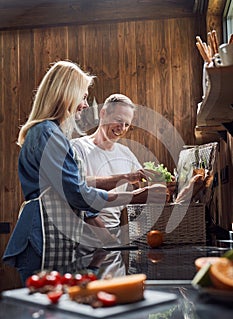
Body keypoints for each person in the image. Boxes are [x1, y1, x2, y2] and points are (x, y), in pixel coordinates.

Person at [3, 60, 166, 285]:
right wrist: (135, 196)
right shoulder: (46, 134)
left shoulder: (51, 133)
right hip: (41, 238)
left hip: (54, 239)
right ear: (66, 94)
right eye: (83, 96)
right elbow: (77, 193)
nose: (84, 104)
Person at [71, 94, 147, 232]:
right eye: (118, 120)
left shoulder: (126, 153)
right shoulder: (77, 148)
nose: (122, 128)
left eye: (127, 124)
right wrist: (126, 178)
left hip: (114, 232)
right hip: (80, 232)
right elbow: (75, 185)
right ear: (103, 113)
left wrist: (162, 185)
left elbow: (142, 186)